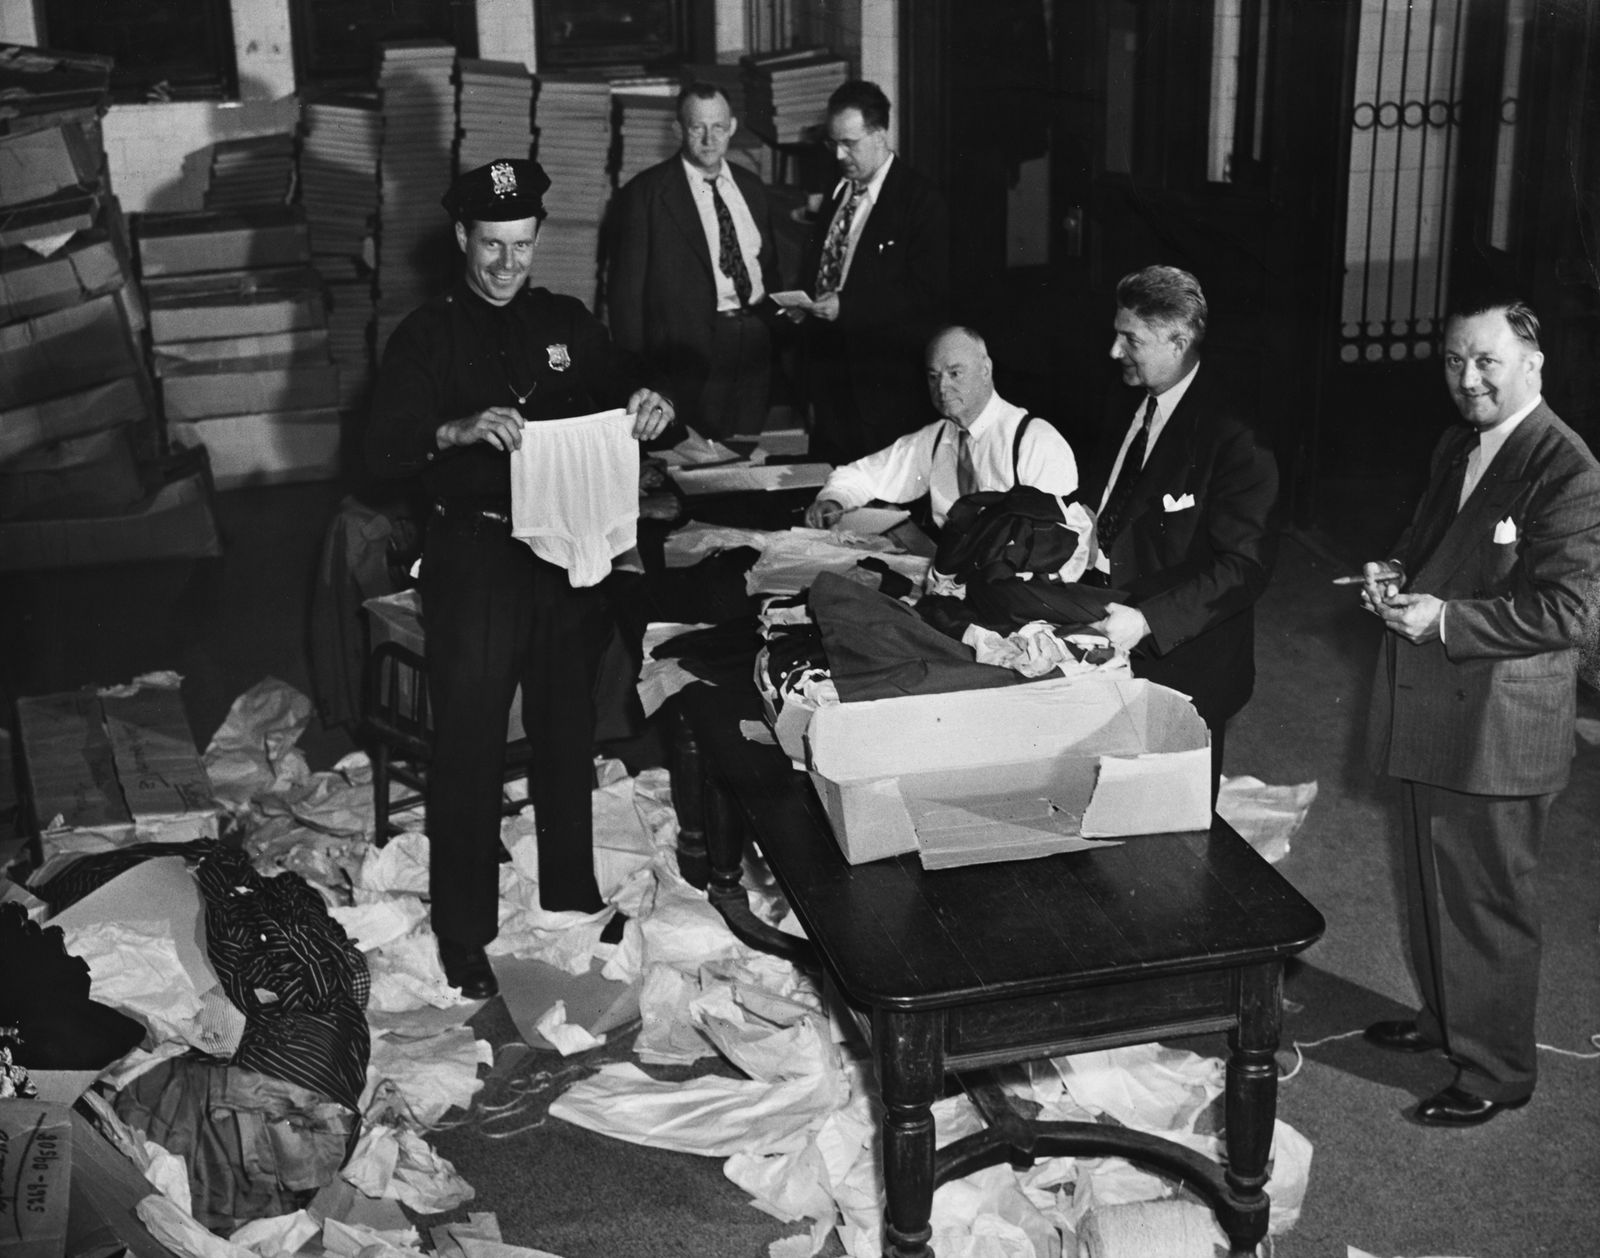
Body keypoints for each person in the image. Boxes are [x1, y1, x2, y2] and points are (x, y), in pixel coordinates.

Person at [365, 159, 674, 1000]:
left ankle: (570, 886)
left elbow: (633, 392)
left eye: (523, 246)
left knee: (568, 726)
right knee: (468, 742)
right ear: (463, 237)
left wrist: (656, 406)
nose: (507, 264)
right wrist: (452, 428)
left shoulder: (566, 322)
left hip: (563, 552)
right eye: (492, 245)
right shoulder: (426, 336)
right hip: (478, 554)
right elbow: (377, 451)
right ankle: (466, 933)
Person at [1359, 297, 1600, 1126]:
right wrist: (1394, 569)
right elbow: (1438, 542)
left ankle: (1497, 1069)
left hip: (1501, 720)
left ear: (1534, 363)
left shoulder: (1568, 468)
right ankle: (1446, 1023)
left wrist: (1448, 620)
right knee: (1433, 874)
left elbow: (1571, 613)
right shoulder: (1460, 443)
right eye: (1456, 360)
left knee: (1485, 895)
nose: (1469, 378)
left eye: (1487, 361)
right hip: (1440, 699)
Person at [1080, 265, 1279, 791]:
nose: (1115, 352)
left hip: (1182, 659)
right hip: (1101, 624)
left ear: (1179, 340)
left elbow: (1244, 567)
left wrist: (1147, 621)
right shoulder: (1127, 395)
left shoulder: (1234, 436)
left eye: (1131, 339)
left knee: (1174, 835)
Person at [805, 325, 1093, 577]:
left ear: (986, 369)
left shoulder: (1034, 440)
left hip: (1013, 590)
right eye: (933, 376)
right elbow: (861, 475)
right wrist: (835, 499)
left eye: (955, 373)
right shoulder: (939, 436)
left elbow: (1066, 549)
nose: (942, 387)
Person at [607, 82, 781, 439]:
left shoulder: (749, 186)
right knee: (695, 463)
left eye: (718, 127)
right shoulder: (646, 195)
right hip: (688, 355)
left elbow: (766, 265)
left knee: (749, 448)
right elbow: (626, 302)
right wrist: (642, 378)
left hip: (753, 343)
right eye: (696, 127)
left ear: (732, 127)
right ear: (678, 130)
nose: (709, 139)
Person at [791, 79, 949, 466]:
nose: (840, 155)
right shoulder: (839, 189)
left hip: (882, 386)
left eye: (850, 143)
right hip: (830, 376)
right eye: (834, 144)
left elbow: (926, 293)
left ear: (880, 134)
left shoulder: (920, 200)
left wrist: (847, 307)